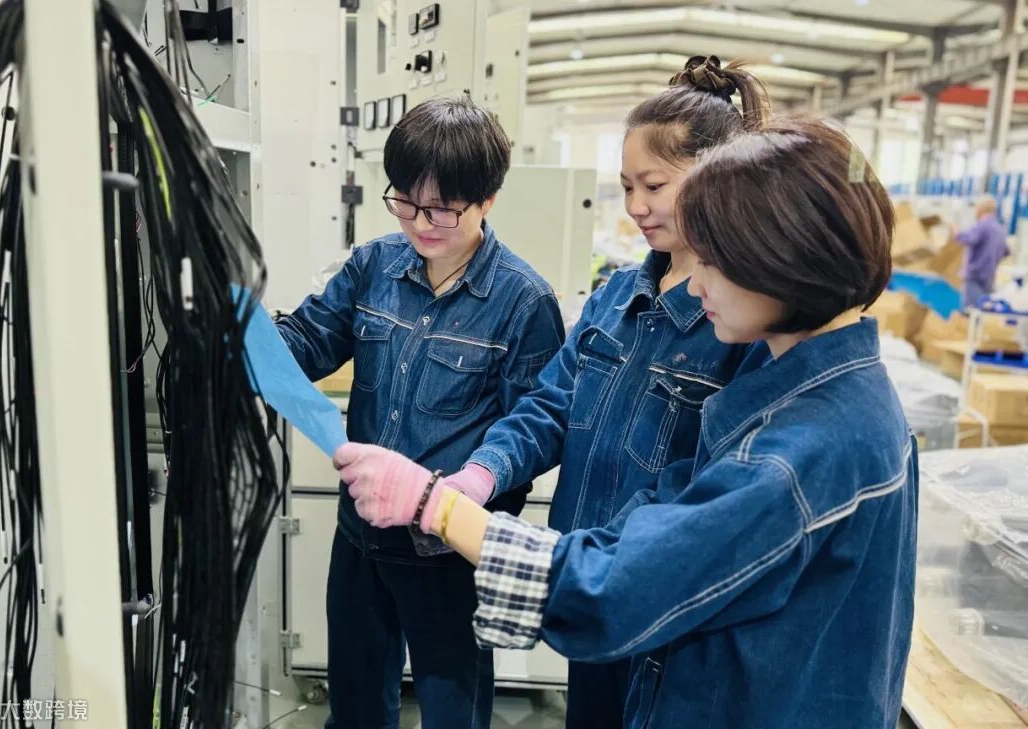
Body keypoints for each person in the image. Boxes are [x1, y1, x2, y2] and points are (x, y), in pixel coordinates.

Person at [334, 116, 919, 729]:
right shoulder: (819, 391)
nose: (697, 282)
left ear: (782, 259)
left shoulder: (805, 446)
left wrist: (436, 506)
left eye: (712, 259)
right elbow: (647, 494)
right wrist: (483, 476)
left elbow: (618, 585)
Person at [440, 55, 769, 728]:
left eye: (654, 185)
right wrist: (485, 469)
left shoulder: (741, 325)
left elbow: (705, 487)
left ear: (718, 177)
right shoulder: (616, 297)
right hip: (587, 579)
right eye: (625, 187)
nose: (636, 206)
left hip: (662, 600)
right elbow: (552, 404)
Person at [276, 95, 565, 729]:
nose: (420, 222)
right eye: (406, 201)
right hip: (361, 537)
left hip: (448, 552)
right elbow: (310, 341)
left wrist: (475, 484)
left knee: (452, 711)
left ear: (487, 200)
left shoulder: (523, 301)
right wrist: (247, 334)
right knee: (355, 705)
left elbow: (538, 425)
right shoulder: (373, 266)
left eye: (441, 208)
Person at [954, 195, 1010, 308]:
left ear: (980, 209)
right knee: (985, 310)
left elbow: (965, 238)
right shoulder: (1000, 229)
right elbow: (1006, 251)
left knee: (971, 311)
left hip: (975, 276)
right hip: (989, 277)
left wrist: (955, 230)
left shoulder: (982, 226)